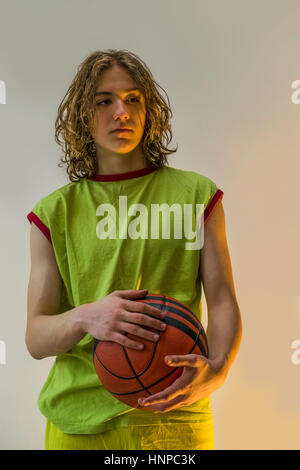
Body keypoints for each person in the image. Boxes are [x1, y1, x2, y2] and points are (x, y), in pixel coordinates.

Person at [26, 49, 242, 450]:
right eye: (103, 101)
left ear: (150, 110)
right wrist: (87, 317)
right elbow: (36, 336)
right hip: (79, 425)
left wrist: (219, 368)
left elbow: (223, 298)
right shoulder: (52, 213)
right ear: (82, 117)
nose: (121, 112)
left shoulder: (198, 195)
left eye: (133, 99)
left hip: (176, 416)